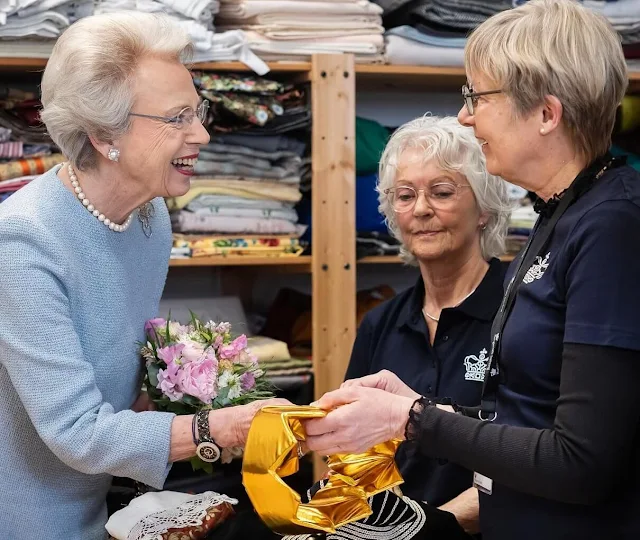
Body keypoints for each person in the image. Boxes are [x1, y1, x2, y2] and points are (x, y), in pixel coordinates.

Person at [305, 0, 640, 538]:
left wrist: (412, 419)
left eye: (477, 97)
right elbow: (524, 414)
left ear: (546, 113)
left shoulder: (612, 225)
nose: (465, 116)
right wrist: (423, 405)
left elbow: (583, 460)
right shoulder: (561, 216)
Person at [0, 13, 287, 539]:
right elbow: (77, 431)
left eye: (197, 111)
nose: (201, 133)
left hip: (97, 504)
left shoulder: (150, 219)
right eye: (177, 117)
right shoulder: (22, 242)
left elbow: (119, 376)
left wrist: (183, 386)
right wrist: (214, 429)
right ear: (104, 133)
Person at [344, 115, 511, 534]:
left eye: (441, 192)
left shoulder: (522, 309)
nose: (420, 209)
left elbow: (535, 451)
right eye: (404, 195)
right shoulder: (379, 324)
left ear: (484, 209)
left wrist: (431, 527)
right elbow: (354, 454)